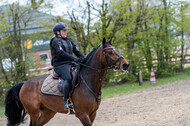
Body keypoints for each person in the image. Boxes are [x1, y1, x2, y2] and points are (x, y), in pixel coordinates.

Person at [50, 22, 85, 110]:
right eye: (64, 30)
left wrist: (85, 58)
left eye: (66, 30)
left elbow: (76, 51)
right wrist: (74, 59)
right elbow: (61, 53)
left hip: (70, 63)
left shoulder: (69, 40)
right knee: (69, 79)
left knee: (83, 73)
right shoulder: (55, 41)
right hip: (60, 65)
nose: (66, 32)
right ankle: (66, 101)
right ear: (58, 32)